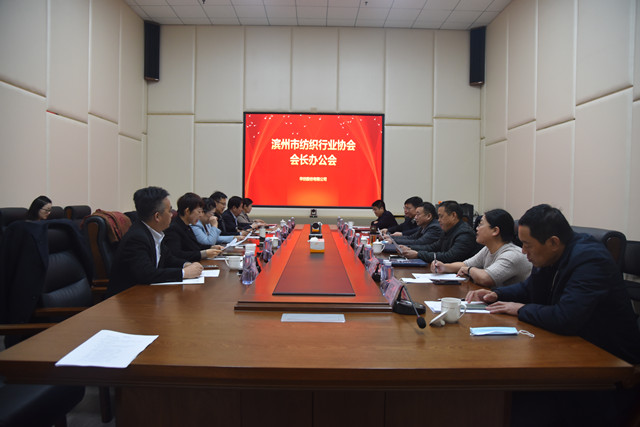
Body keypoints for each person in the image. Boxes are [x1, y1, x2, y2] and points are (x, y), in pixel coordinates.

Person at [466, 204, 640, 425]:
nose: (523, 251)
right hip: (569, 353)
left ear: (553, 242)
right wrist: (496, 294)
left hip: (606, 369)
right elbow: (529, 288)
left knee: (516, 404)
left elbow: (565, 317)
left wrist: (520, 309)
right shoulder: (550, 255)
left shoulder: (590, 260)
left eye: (527, 245)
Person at [106, 187, 203, 297]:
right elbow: (146, 273)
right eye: (169, 211)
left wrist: (187, 264)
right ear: (157, 216)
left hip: (147, 294)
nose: (172, 215)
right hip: (126, 298)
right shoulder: (137, 238)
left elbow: (169, 258)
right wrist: (184, 273)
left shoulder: (154, 232)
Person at [431, 209, 531, 287]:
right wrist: (444, 267)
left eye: (481, 224)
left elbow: (486, 278)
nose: (477, 228)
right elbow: (465, 264)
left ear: (495, 231)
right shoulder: (488, 249)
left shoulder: (512, 255)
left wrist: (469, 270)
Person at [398, 200, 478, 264]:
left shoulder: (465, 233)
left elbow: (449, 257)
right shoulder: (448, 229)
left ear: (453, 215)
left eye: (441, 216)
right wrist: (410, 248)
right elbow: (433, 247)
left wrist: (418, 254)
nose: (438, 220)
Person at [164, 193, 222, 262]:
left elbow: (195, 246)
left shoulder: (186, 226)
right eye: (199, 212)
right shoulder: (173, 228)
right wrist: (203, 254)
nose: (201, 215)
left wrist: (211, 247)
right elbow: (176, 254)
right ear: (187, 211)